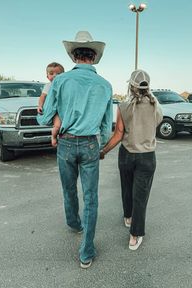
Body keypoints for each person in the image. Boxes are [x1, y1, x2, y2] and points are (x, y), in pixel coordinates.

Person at [37, 31, 112, 268]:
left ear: (74, 56)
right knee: (91, 197)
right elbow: (106, 125)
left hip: (66, 142)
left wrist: (56, 119)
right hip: (91, 142)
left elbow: (46, 117)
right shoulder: (105, 85)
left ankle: (74, 223)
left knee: (69, 189)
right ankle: (86, 252)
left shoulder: (59, 81)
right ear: (93, 57)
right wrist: (100, 147)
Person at [100, 69, 163, 250]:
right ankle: (134, 236)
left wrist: (103, 151)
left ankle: (128, 217)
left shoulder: (123, 106)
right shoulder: (156, 106)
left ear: (130, 86)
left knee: (127, 189)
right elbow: (155, 123)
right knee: (140, 197)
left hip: (127, 154)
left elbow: (118, 134)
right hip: (147, 157)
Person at [37, 62, 65, 147]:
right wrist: (40, 106)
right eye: (51, 74)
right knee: (57, 126)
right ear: (47, 76)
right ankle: (53, 137)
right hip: (54, 111)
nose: (55, 76)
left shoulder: (65, 85)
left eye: (58, 74)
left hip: (63, 109)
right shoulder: (48, 86)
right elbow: (42, 96)